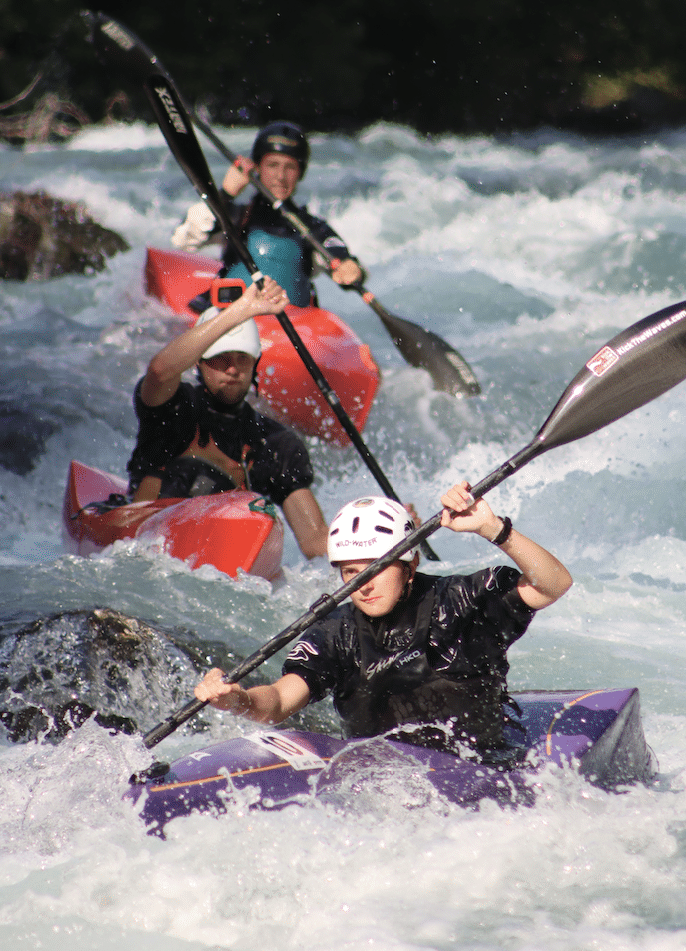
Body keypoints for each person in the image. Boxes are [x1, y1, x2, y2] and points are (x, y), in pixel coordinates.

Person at [194, 483, 573, 761]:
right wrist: (237, 699)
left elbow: (554, 584)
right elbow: (276, 702)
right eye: (350, 572)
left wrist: (493, 529)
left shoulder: (460, 601)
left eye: (376, 568)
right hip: (387, 782)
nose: (363, 585)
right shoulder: (335, 631)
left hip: (483, 765)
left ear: (410, 565)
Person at [127, 276, 329, 559]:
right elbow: (160, 370)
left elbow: (315, 542)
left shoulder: (275, 442)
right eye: (221, 358)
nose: (233, 369)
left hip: (219, 556)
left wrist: (382, 543)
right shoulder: (172, 410)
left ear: (255, 364)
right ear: (200, 362)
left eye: (242, 358)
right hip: (141, 545)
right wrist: (243, 310)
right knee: (193, 473)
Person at [171, 120, 363, 308]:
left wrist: (350, 268)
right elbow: (183, 240)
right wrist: (225, 194)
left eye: (290, 167)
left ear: (300, 173)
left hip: (289, 323)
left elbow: (341, 259)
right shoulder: (235, 216)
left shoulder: (311, 227)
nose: (280, 176)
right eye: (272, 165)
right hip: (233, 315)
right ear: (257, 167)